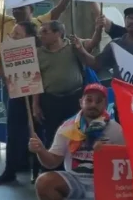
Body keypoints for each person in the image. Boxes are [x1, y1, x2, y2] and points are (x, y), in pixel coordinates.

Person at [29, 83, 124, 200]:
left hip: (104, 184)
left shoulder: (115, 130)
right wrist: (40, 151)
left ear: (105, 104)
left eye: (99, 101)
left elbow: (129, 163)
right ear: (81, 102)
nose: (93, 104)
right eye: (89, 100)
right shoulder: (68, 128)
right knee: (44, 182)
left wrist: (109, 152)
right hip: (76, 180)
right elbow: (52, 162)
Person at [31, 21, 101, 181]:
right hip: (50, 100)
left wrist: (98, 28)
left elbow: (93, 43)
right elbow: (36, 80)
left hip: (74, 98)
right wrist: (35, 104)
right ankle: (51, 169)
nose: (40, 35)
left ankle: (75, 169)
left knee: (76, 133)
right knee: (52, 134)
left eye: (45, 32)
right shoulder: (38, 53)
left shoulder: (73, 45)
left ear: (57, 34)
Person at [0, 22, 45, 185]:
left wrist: (35, 103)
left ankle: (37, 169)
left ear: (29, 38)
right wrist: (2, 57)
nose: (12, 37)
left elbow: (37, 78)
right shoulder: (11, 52)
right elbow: (0, 74)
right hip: (16, 96)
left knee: (37, 134)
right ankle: (10, 170)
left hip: (36, 97)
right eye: (12, 34)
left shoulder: (38, 53)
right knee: (13, 135)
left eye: (17, 35)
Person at [83, 7, 133, 79]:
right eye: (129, 18)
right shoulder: (115, 45)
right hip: (120, 93)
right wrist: (80, 49)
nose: (132, 21)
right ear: (125, 21)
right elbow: (96, 64)